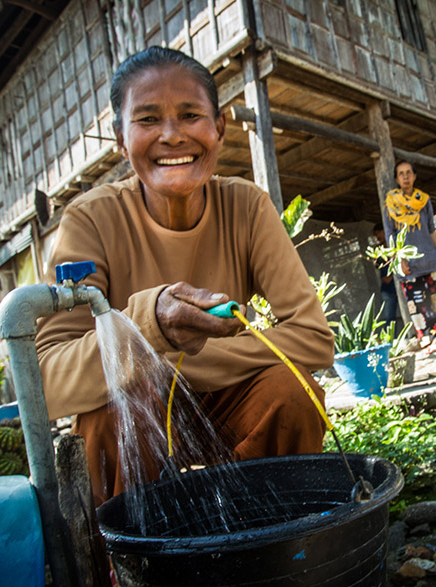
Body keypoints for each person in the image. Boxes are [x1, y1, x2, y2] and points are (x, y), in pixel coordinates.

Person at [35, 46, 334, 506]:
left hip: (226, 403)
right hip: (139, 414)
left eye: (191, 114)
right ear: (121, 138)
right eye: (148, 119)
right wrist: (147, 328)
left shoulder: (246, 207)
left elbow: (313, 339)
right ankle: (125, 570)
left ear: (219, 128)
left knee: (293, 394)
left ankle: (273, 541)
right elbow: (48, 381)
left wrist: (164, 359)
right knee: (113, 414)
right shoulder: (90, 220)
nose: (172, 136)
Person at [382, 160, 436, 347]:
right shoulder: (390, 203)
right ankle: (428, 343)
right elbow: (390, 233)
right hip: (409, 265)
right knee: (418, 307)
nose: (405, 176)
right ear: (397, 179)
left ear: (414, 176)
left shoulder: (424, 200)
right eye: (401, 173)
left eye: (408, 173)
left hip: (430, 260)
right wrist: (399, 259)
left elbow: (431, 229)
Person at [372, 223, 398, 325]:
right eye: (376, 234)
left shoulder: (394, 247)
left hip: (397, 288)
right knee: (390, 319)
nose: (377, 236)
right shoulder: (380, 253)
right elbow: (386, 278)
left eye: (379, 233)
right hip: (388, 290)